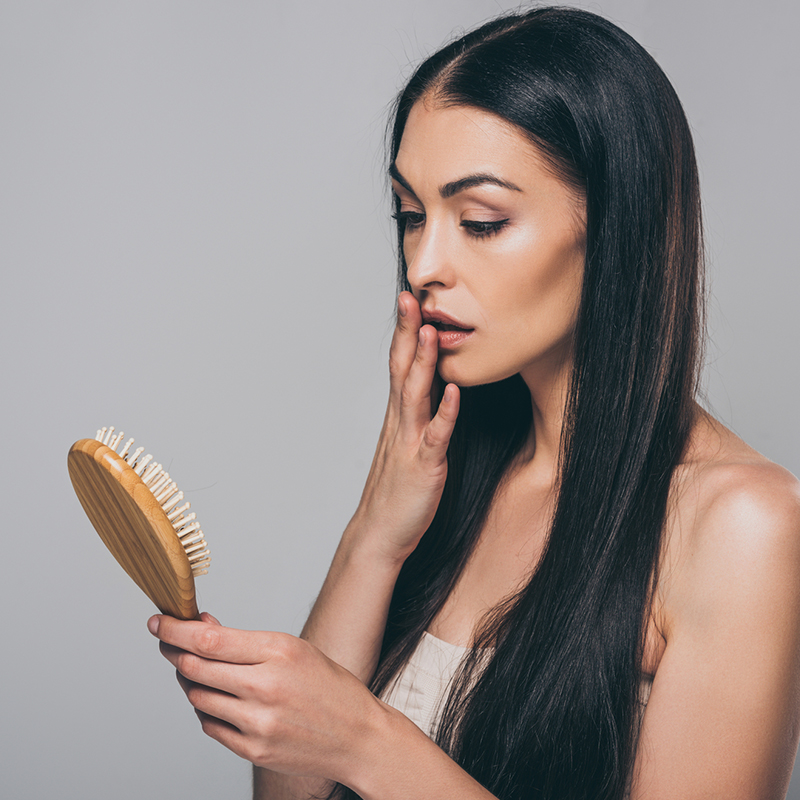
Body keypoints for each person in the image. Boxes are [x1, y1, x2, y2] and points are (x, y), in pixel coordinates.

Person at [147, 7, 800, 799]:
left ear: (616, 226)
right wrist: (375, 535)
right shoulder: (453, 472)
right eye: (412, 216)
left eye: (481, 221)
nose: (423, 263)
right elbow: (288, 794)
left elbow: (351, 755)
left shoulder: (744, 526)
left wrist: (364, 740)